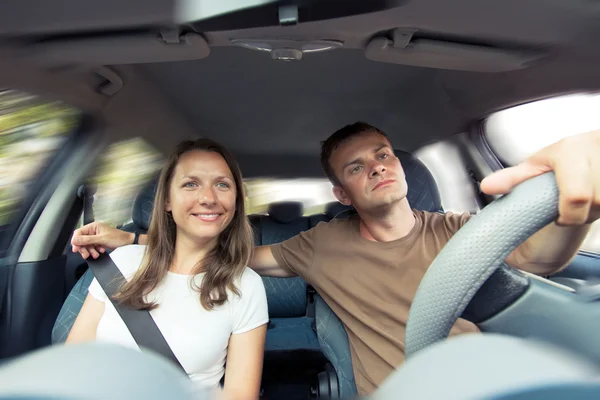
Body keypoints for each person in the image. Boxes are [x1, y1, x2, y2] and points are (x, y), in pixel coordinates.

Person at [71, 122, 600, 396]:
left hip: (485, 385)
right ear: (341, 193)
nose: (376, 168)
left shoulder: (464, 232)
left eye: (384, 155)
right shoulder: (321, 243)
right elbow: (235, 254)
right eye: (355, 166)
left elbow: (539, 260)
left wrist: (575, 201)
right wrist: (137, 239)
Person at [67, 138, 269, 399]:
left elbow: (239, 395)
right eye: (190, 184)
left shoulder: (245, 286)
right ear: (167, 201)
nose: (208, 198)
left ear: (236, 202)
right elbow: (74, 361)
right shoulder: (122, 262)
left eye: (222, 184)